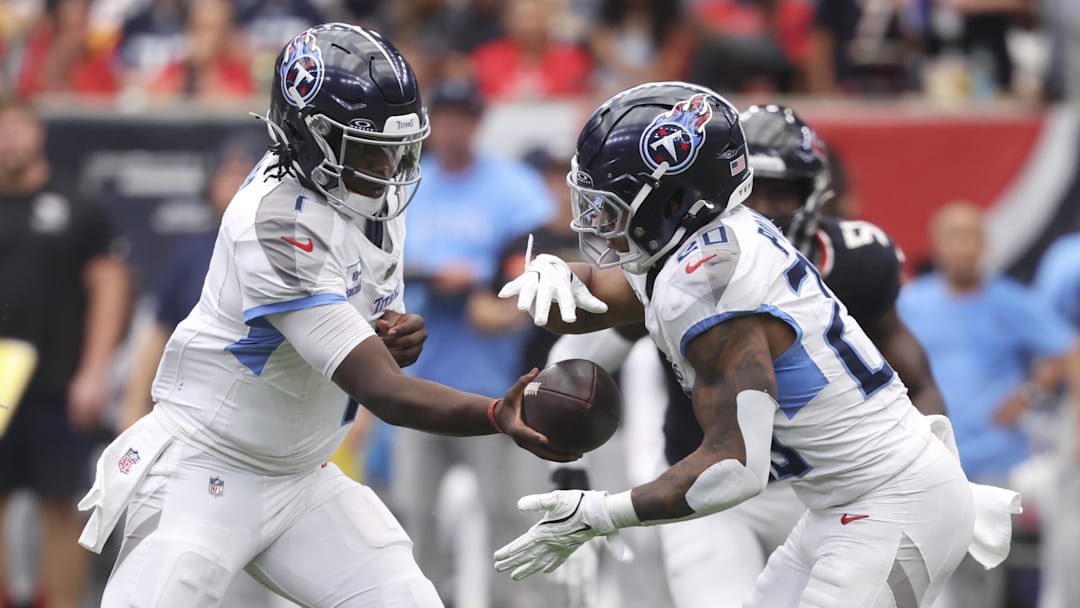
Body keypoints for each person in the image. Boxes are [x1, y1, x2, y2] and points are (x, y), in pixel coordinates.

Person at [78, 24, 572, 608]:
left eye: (398, 147)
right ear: (308, 136)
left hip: (301, 475)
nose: (390, 166)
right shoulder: (276, 220)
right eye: (369, 146)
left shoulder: (370, 193)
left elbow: (369, 336)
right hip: (206, 468)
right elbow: (383, 392)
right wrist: (496, 412)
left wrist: (390, 336)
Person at [494, 82, 1003, 607]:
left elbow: (734, 469)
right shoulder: (703, 245)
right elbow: (602, 300)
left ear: (673, 199)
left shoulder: (709, 286)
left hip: (891, 500)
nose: (597, 218)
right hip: (839, 503)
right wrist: (554, 270)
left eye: (613, 202)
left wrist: (600, 514)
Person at [395, 77, 554, 608]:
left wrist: (480, 280)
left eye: (465, 117)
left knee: (509, 518)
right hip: (418, 385)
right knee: (414, 523)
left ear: (479, 123)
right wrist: (437, 276)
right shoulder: (408, 185)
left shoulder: (514, 189)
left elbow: (539, 268)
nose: (454, 128)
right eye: (446, 116)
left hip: (498, 387)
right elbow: (383, 267)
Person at [898, 203, 1076, 608]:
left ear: (984, 245)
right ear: (938, 246)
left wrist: (1028, 395)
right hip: (931, 457)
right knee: (929, 571)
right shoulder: (911, 304)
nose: (962, 248)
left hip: (998, 460)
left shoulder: (1011, 302)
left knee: (987, 571)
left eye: (970, 237)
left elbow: (1068, 352)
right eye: (953, 237)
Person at [0, 98, 130, 608]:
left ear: (38, 133)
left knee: (62, 509)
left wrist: (95, 372)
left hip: (58, 383)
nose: (8, 138)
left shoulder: (78, 206)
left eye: (16, 127)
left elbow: (109, 287)